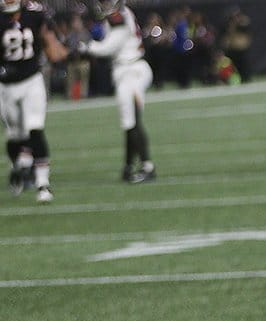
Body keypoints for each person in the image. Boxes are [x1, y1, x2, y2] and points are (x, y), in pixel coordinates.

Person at [82, 0, 156, 184]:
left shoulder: (119, 15)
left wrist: (86, 47)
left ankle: (148, 167)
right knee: (131, 122)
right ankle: (129, 166)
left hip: (131, 70)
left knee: (131, 122)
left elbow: (109, 47)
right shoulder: (122, 13)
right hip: (130, 70)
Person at [0, 0, 66, 204]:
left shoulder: (35, 14)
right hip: (6, 86)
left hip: (31, 81)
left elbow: (50, 41)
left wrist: (61, 54)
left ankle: (42, 184)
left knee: (35, 128)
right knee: (15, 136)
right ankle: (20, 165)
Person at [221, 6, 252, 82]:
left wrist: (238, 22)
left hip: (241, 48)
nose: (235, 17)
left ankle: (246, 79)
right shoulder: (228, 24)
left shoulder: (244, 21)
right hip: (231, 48)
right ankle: (230, 80)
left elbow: (246, 27)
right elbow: (227, 34)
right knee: (231, 66)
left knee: (244, 65)